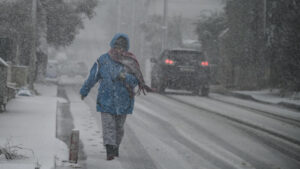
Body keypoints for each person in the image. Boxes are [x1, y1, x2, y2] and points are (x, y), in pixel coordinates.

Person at [79, 33, 151, 160]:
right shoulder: (102, 60)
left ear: (126, 48)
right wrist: (84, 91)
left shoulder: (130, 62)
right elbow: (92, 77)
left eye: (122, 47)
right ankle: (109, 149)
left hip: (123, 101)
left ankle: (115, 146)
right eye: (117, 46)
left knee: (119, 128)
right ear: (112, 45)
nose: (119, 49)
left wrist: (124, 76)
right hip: (105, 99)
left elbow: (136, 81)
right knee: (108, 126)